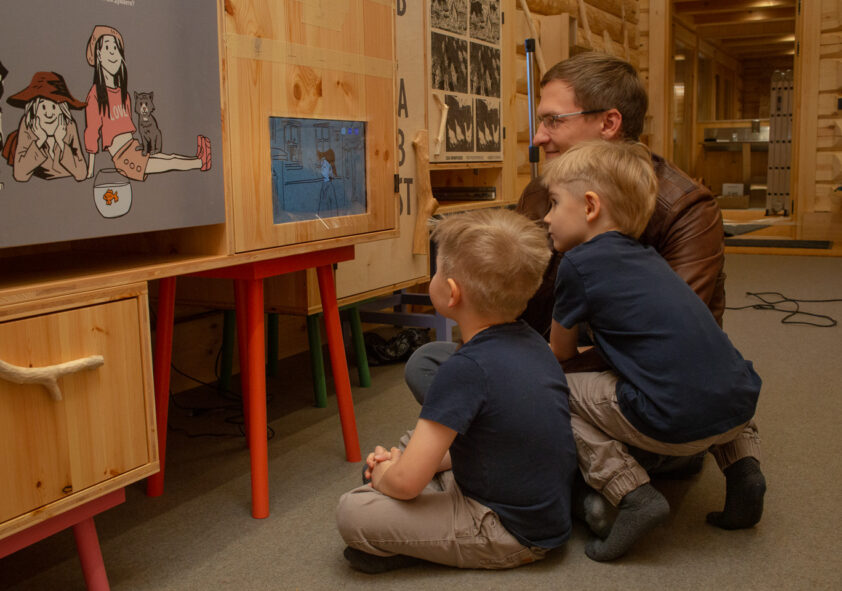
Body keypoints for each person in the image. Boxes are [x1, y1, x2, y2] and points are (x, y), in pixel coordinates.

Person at [543, 140, 765, 562]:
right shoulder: (649, 257)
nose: (547, 217)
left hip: (667, 421)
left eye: (554, 203)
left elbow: (560, 353)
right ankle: (744, 470)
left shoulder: (576, 264)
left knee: (550, 390)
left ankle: (631, 493)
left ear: (590, 206)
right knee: (718, 375)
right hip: (738, 407)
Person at [336, 208, 578, 574]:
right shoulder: (535, 343)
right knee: (413, 445)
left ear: (451, 293)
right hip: (541, 514)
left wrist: (386, 476)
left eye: (436, 271)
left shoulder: (464, 370)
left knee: (354, 511)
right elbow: (496, 440)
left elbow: (406, 485)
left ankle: (419, 544)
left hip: (504, 530)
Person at [83, 25, 211, 181]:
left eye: (116, 48)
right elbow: (91, 132)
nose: (112, 52)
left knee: (169, 157)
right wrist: (90, 170)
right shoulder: (95, 95)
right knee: (168, 163)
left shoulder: (124, 95)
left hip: (134, 147)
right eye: (107, 47)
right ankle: (200, 162)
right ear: (98, 55)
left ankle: (198, 158)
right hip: (124, 159)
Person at [4, 71, 88, 182]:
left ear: (62, 109)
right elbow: (20, 175)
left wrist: (61, 143)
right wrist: (39, 141)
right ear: (34, 108)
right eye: (43, 107)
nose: (49, 114)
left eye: (54, 107)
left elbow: (81, 174)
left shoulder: (68, 125)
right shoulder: (28, 124)